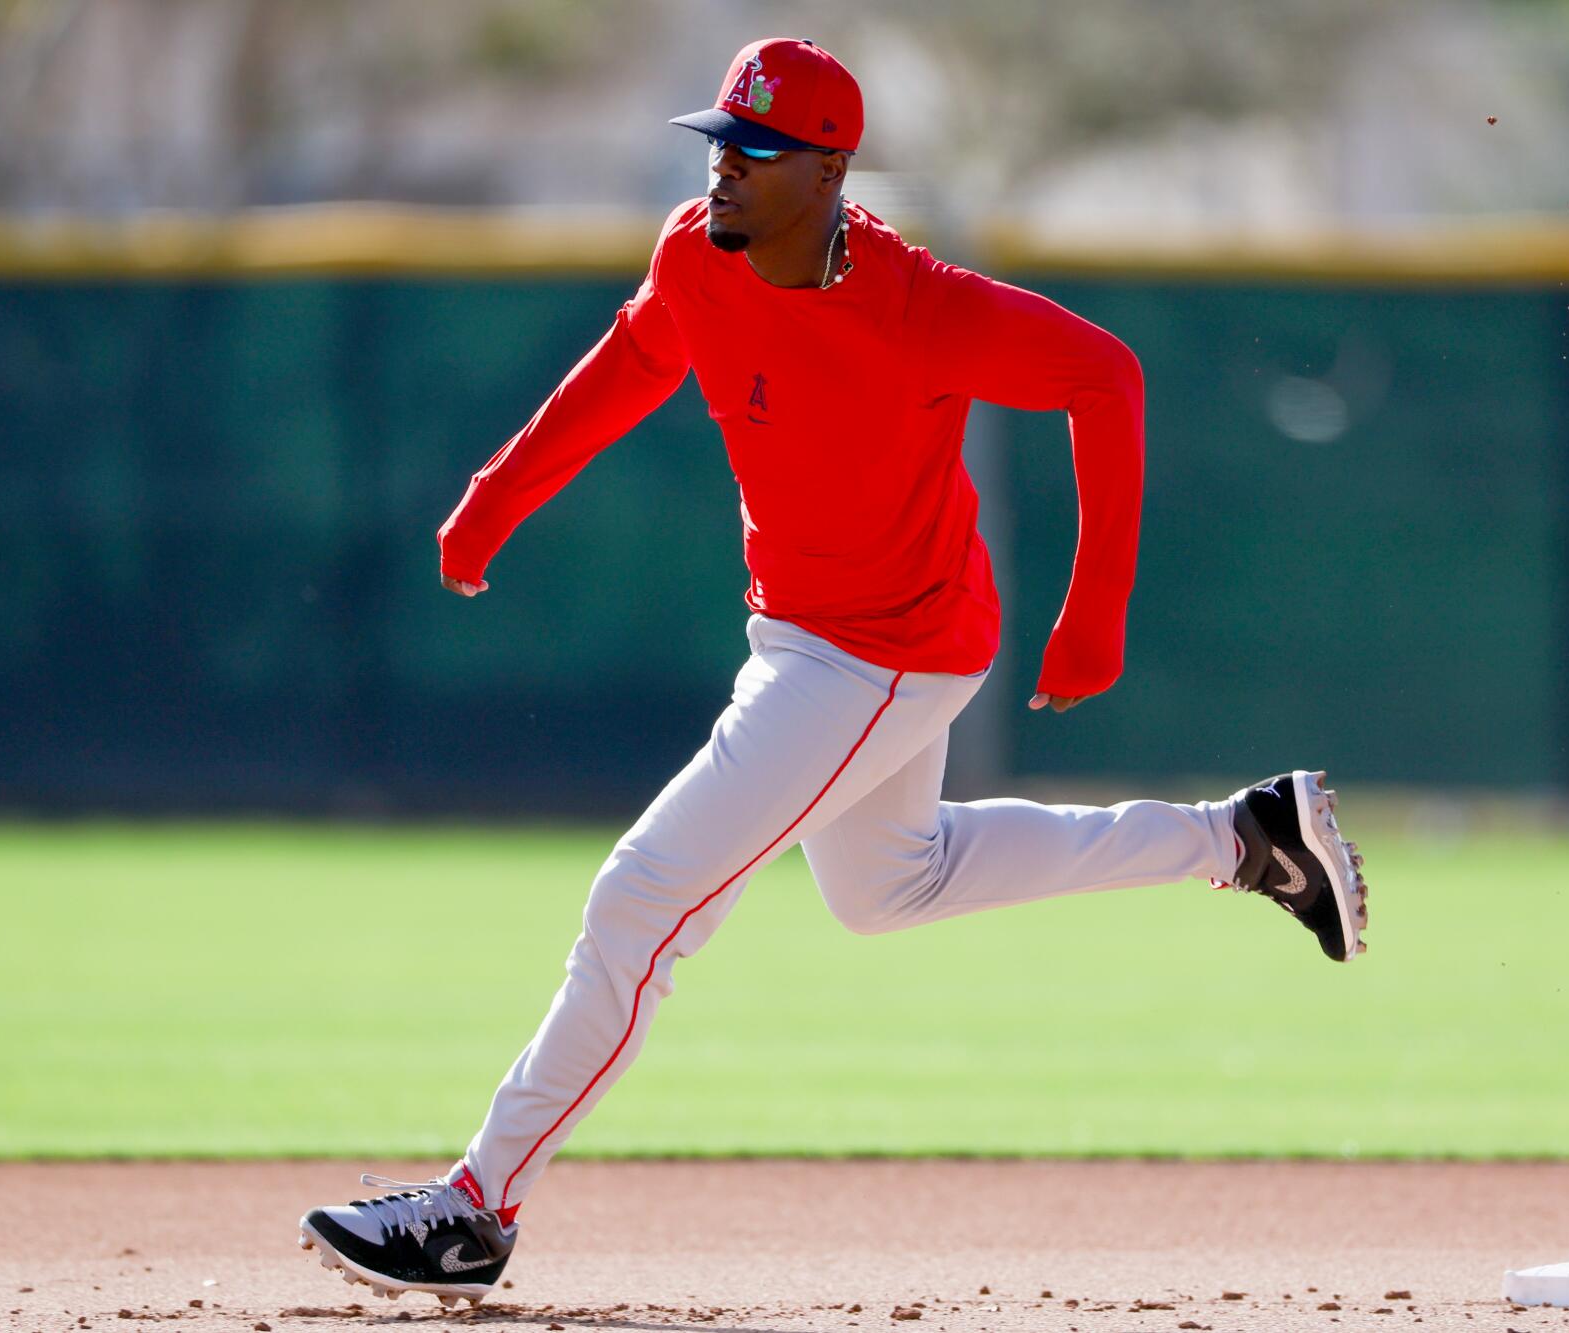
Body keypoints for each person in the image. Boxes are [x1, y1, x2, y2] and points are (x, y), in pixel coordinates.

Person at [297, 36, 1369, 1306]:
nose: (723, 170)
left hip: (884, 651)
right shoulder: (696, 257)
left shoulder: (920, 307)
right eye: (717, 142)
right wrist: (495, 499)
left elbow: (1104, 376)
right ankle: (1244, 839)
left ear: (827, 172)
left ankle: (476, 1207)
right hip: (807, 637)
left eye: (753, 152)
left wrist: (1092, 617)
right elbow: (631, 366)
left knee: (642, 900)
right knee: (888, 886)